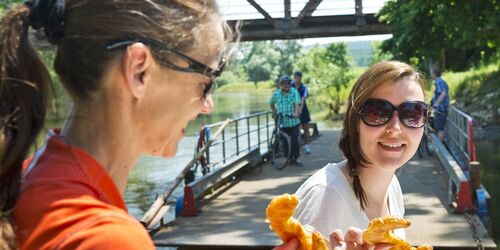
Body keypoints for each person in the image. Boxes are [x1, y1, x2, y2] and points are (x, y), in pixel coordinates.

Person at [0, 0, 232, 249]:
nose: (207, 106)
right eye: (207, 82)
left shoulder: (26, 178)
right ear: (138, 70)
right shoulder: (107, 238)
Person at [275, 61, 427, 249]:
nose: (395, 128)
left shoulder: (392, 186)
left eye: (412, 114)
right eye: (377, 112)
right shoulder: (326, 196)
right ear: (355, 122)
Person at [269, 75, 303, 166]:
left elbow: (297, 103)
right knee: (284, 142)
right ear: (281, 85)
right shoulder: (276, 94)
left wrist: (296, 113)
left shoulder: (294, 92)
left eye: (288, 83)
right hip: (282, 122)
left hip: (293, 121)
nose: (286, 85)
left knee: (296, 142)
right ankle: (287, 157)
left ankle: (294, 159)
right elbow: (270, 103)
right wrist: (274, 112)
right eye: (284, 84)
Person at [292, 71, 312, 154]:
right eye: (296, 77)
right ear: (294, 77)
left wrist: (300, 109)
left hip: (303, 109)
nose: (298, 79)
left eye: (299, 78)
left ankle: (306, 145)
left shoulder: (304, 87)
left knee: (305, 128)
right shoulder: (290, 86)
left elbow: (303, 98)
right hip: (292, 109)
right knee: (296, 129)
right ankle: (296, 146)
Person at [430, 69, 449, 142]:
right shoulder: (442, 81)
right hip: (443, 109)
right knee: (441, 128)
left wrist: (435, 104)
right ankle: (441, 147)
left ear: (435, 74)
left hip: (440, 109)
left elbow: (443, 93)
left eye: (431, 73)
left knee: (439, 129)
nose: (431, 75)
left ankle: (439, 150)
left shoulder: (438, 82)